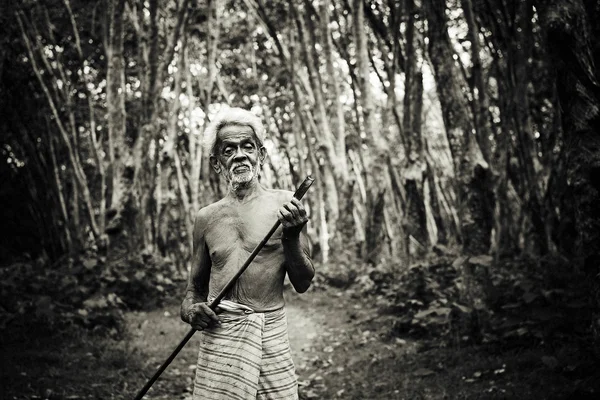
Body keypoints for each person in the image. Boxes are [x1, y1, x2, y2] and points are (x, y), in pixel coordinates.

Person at [180, 107, 315, 400]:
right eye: (229, 149)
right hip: (221, 335)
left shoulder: (286, 205)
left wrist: (291, 237)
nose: (240, 155)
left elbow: (303, 283)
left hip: (270, 331)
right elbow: (193, 291)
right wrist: (192, 311)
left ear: (261, 155)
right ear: (217, 163)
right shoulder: (206, 218)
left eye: (247, 147)